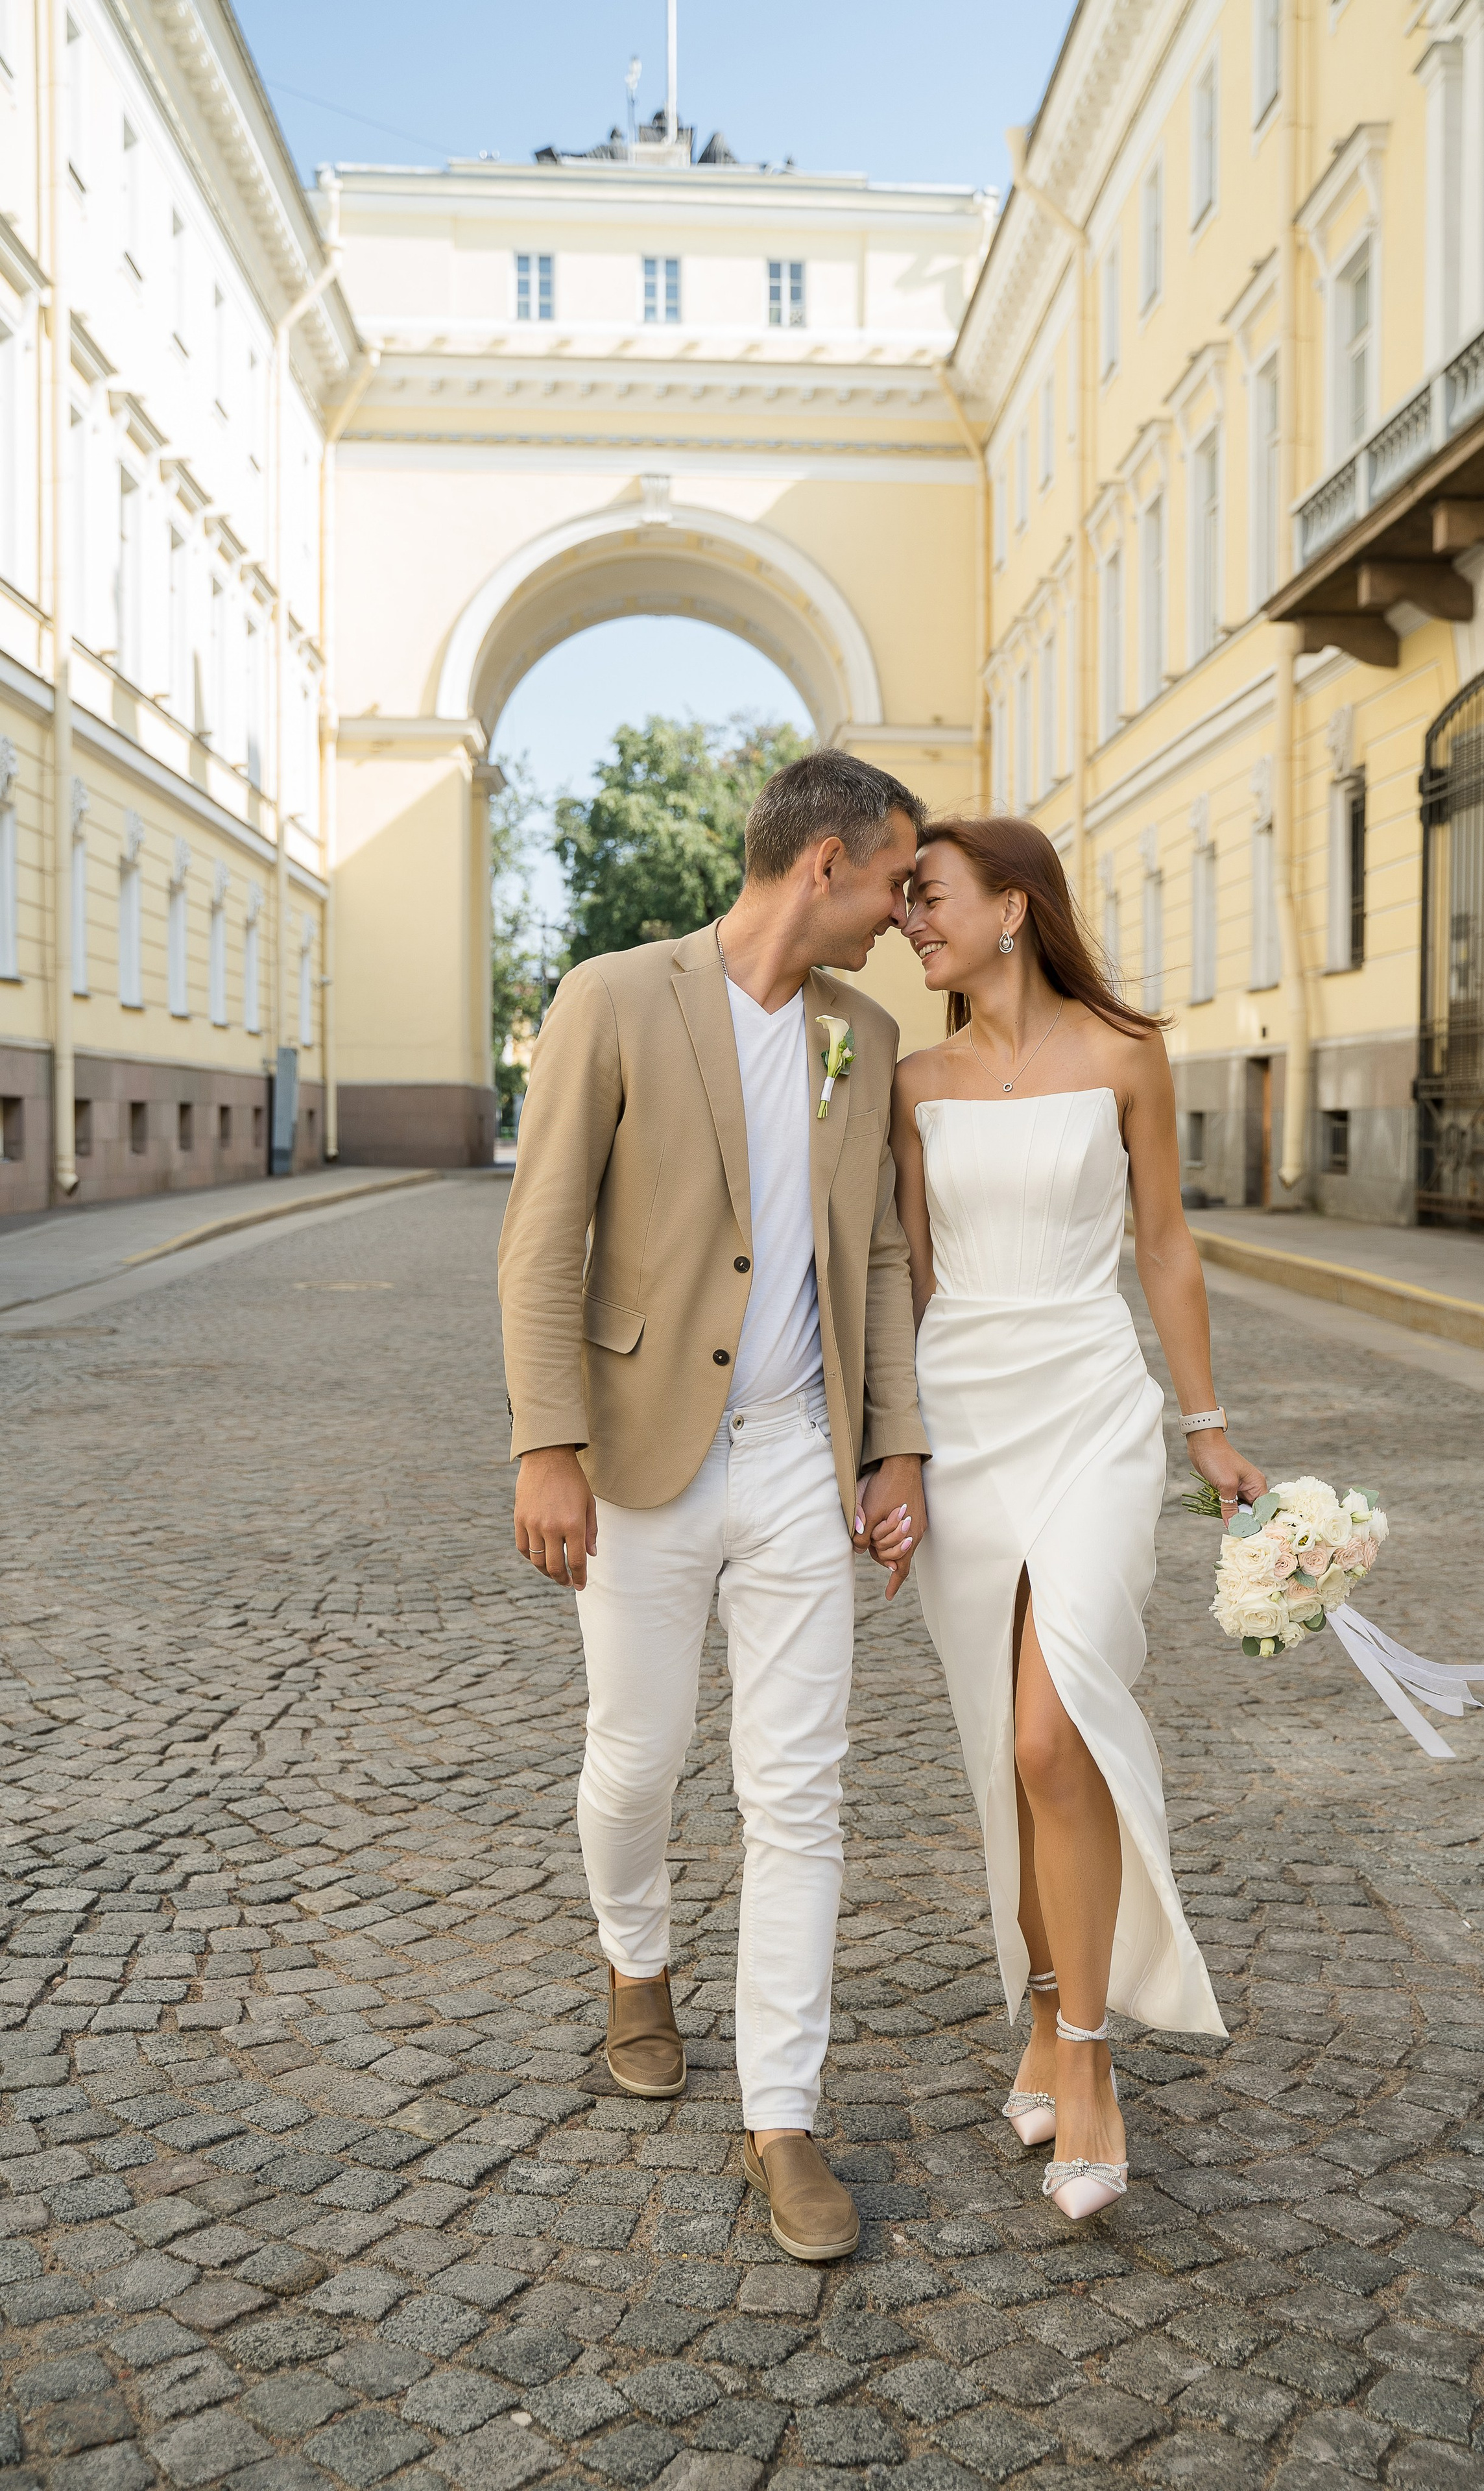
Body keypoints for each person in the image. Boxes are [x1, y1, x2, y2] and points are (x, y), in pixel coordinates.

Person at [499, 750, 931, 2264]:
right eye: (889, 880)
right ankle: (634, 1961)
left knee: (797, 1791)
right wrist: (544, 1442)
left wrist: (895, 1447)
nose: (899, 912)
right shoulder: (615, 997)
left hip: (801, 1459)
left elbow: (872, 1251)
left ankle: (783, 2118)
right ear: (822, 866)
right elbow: (543, 1237)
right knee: (639, 1754)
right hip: (637, 1459)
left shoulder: (861, 1036)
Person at [881, 815, 1266, 2223]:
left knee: (1063, 1726)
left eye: (928, 897)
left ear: (1011, 908)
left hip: (1093, 1410)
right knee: (1006, 1751)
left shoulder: (1124, 1054)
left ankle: (1091, 2062)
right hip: (965, 1418)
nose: (907, 919)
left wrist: (1203, 1424)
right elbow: (904, 1280)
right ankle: (1042, 2011)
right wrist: (894, 1457)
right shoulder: (909, 1077)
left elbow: (1161, 1242)